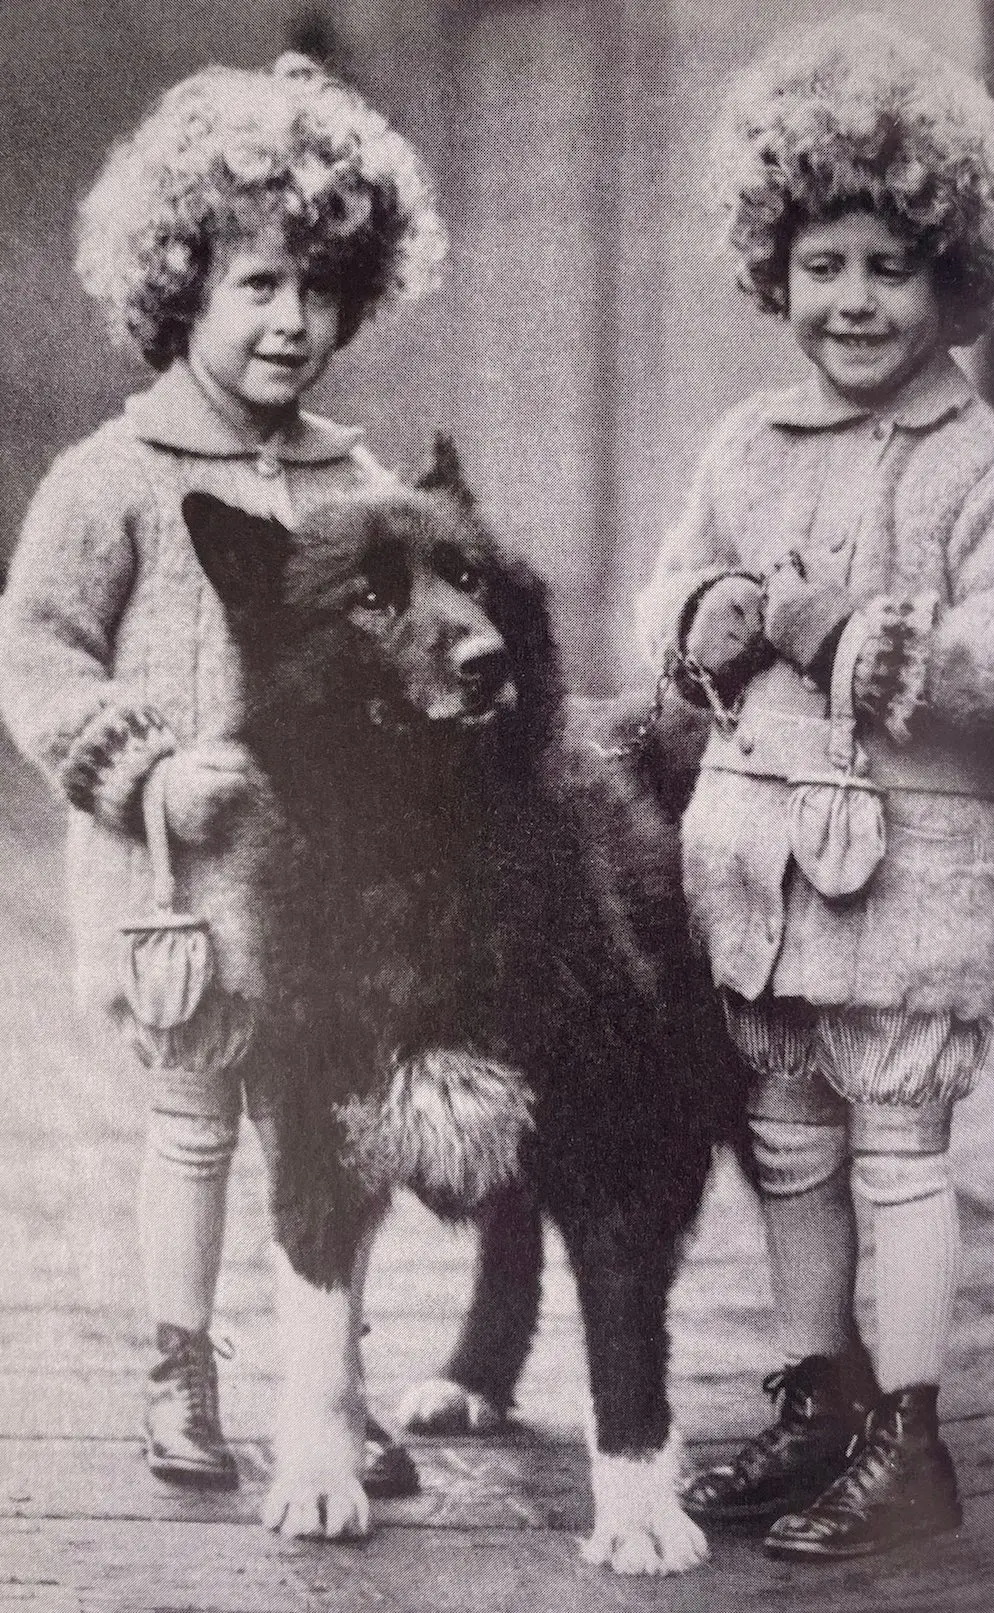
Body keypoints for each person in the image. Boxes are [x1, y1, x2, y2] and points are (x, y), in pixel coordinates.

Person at [637, 14, 994, 1561]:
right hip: (761, 871)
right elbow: (669, 594)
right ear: (775, 267)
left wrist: (872, 639)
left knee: (898, 1150)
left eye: (889, 264)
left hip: (908, 877)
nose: (856, 298)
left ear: (950, 269)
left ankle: (916, 1436)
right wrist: (705, 621)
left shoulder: (983, 466)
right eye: (823, 263)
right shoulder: (746, 446)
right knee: (790, 1140)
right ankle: (820, 1397)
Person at [0, 53, 445, 1493]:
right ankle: (178, 1370)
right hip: (177, 893)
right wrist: (135, 770)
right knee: (192, 1129)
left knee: (325, 1139)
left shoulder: (360, 485)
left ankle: (336, 1383)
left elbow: (412, 660)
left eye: (319, 288)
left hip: (327, 901)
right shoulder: (110, 478)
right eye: (257, 284)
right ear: (181, 280)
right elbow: (39, 655)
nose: (290, 320)